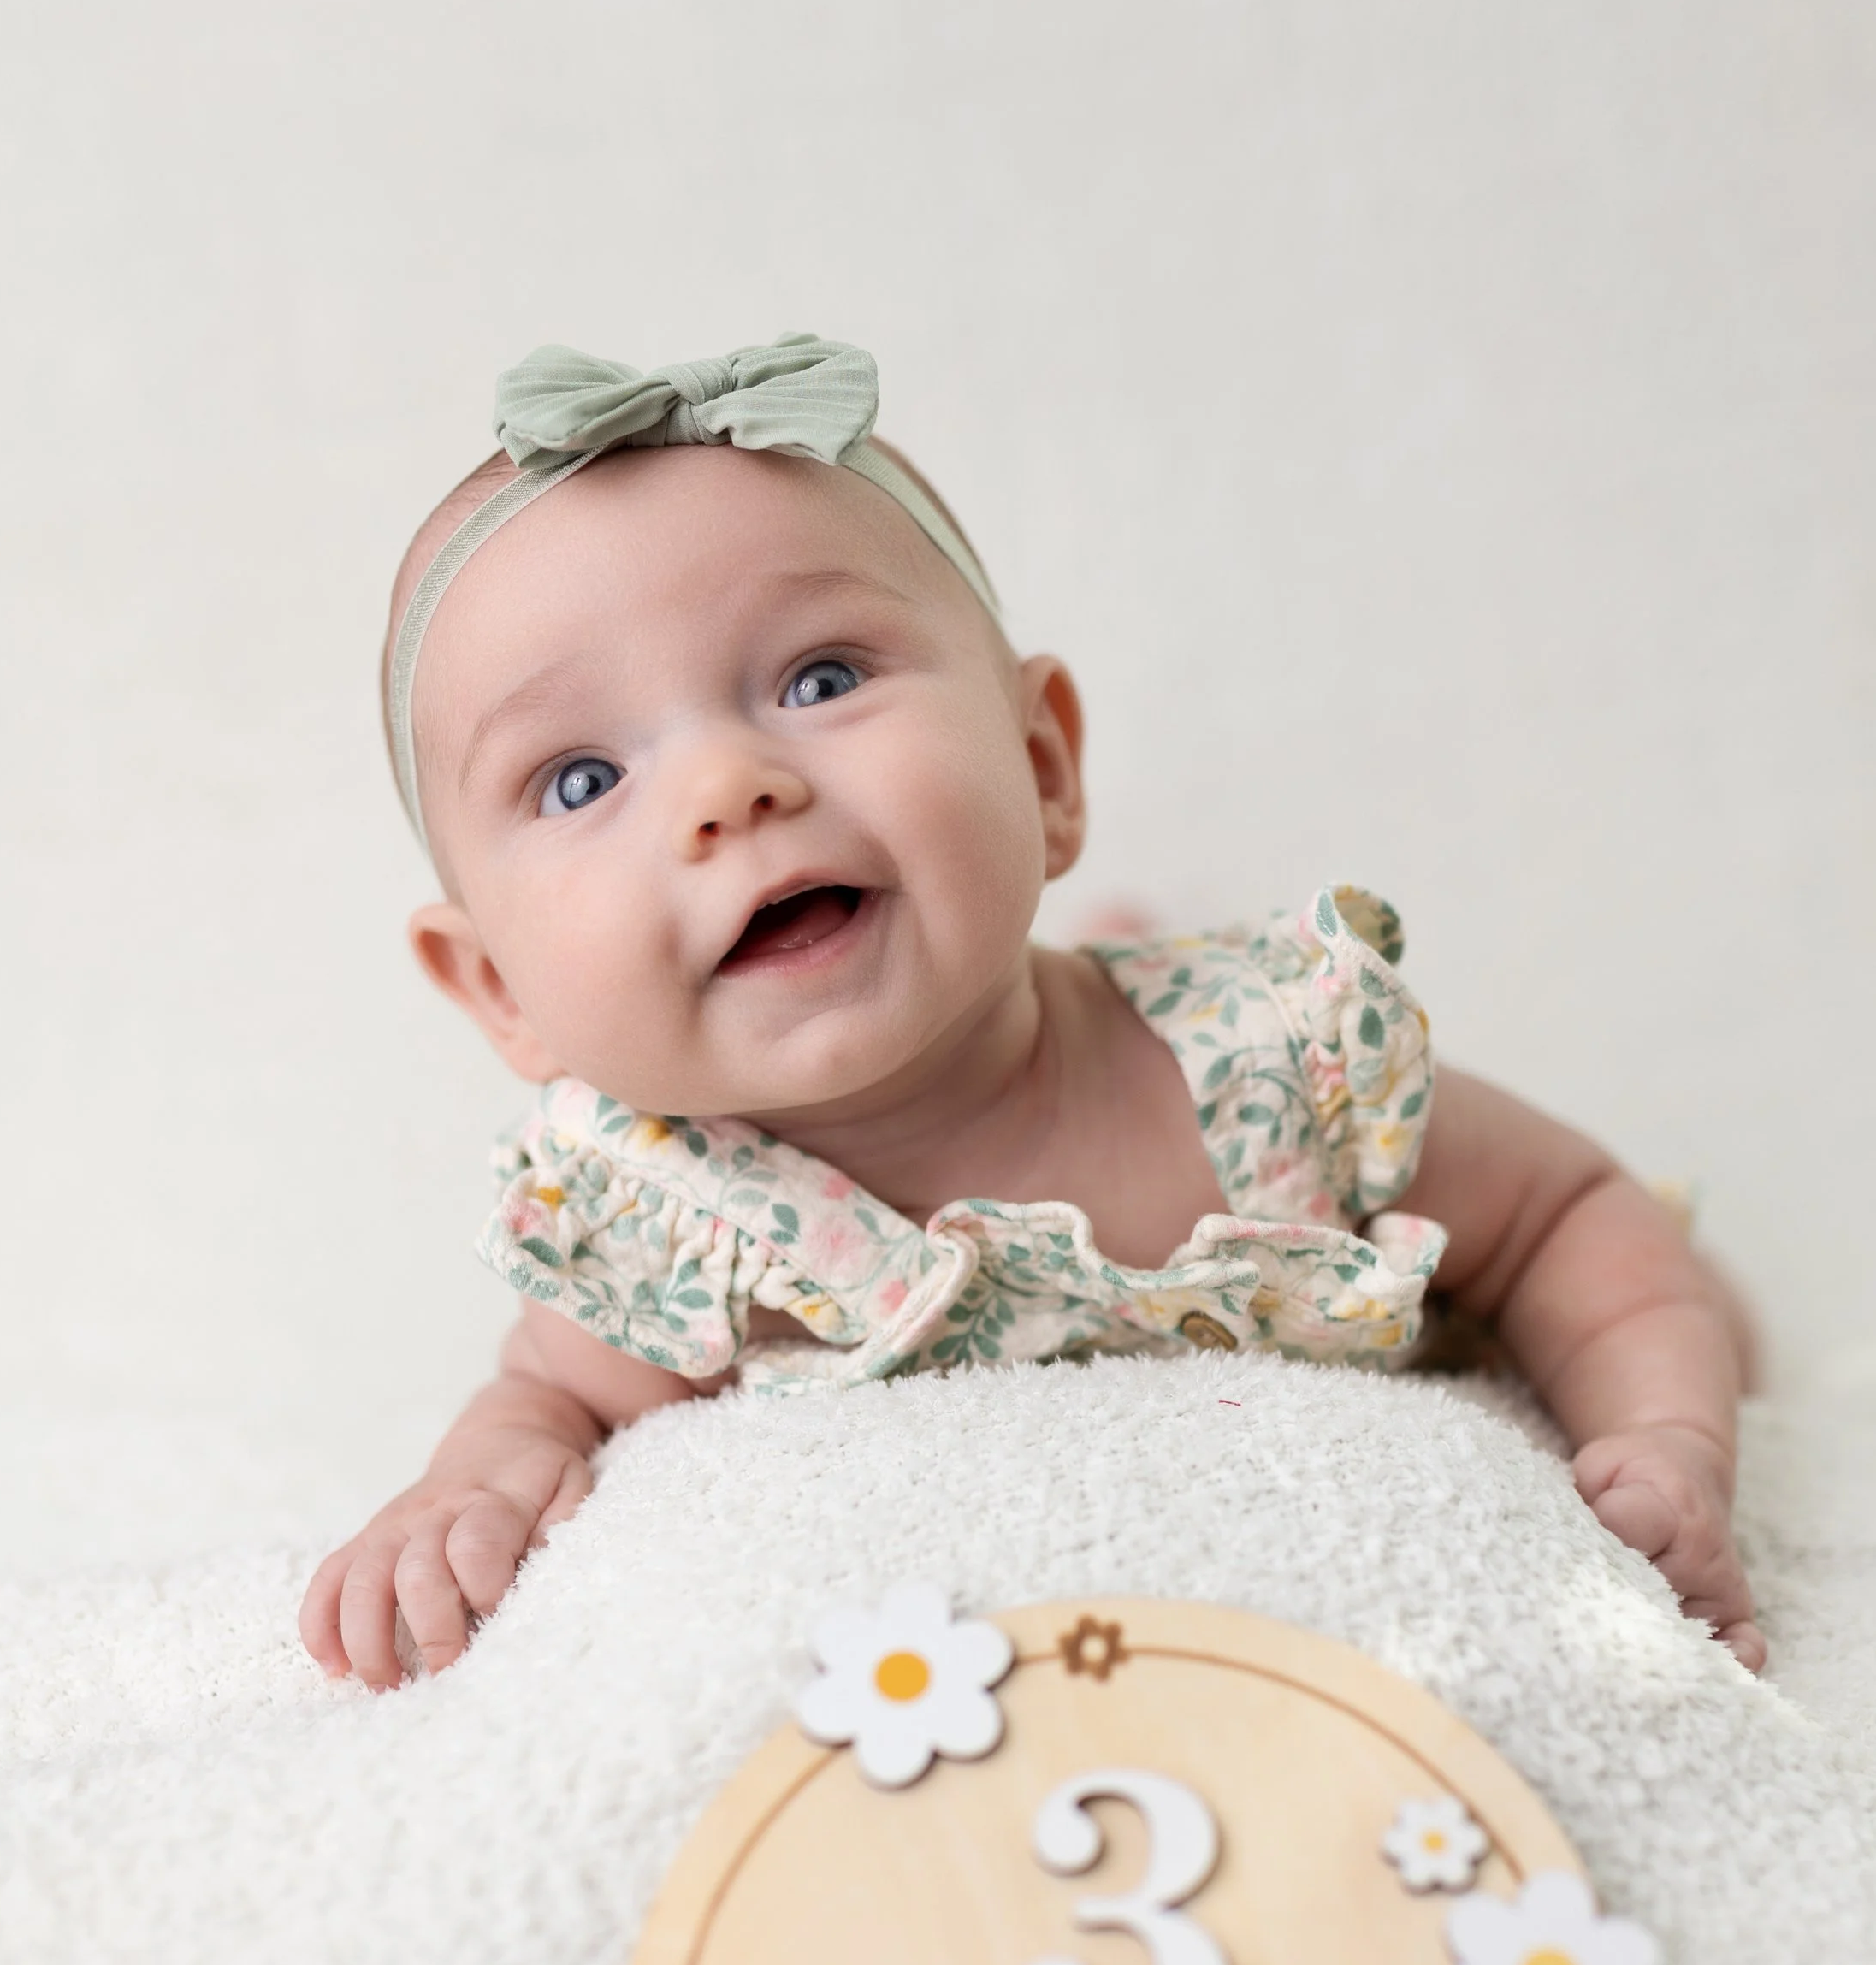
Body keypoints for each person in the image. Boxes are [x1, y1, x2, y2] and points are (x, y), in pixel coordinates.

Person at [301, 335, 1763, 1689]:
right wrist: (470, 1491)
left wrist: (1665, 1433)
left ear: (1044, 764)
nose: (726, 788)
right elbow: (542, 1406)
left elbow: (1577, 1215)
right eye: (580, 778)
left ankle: (1128, 937)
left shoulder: (1265, 1073)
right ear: (501, 991)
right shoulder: (673, 1237)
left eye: (818, 676)